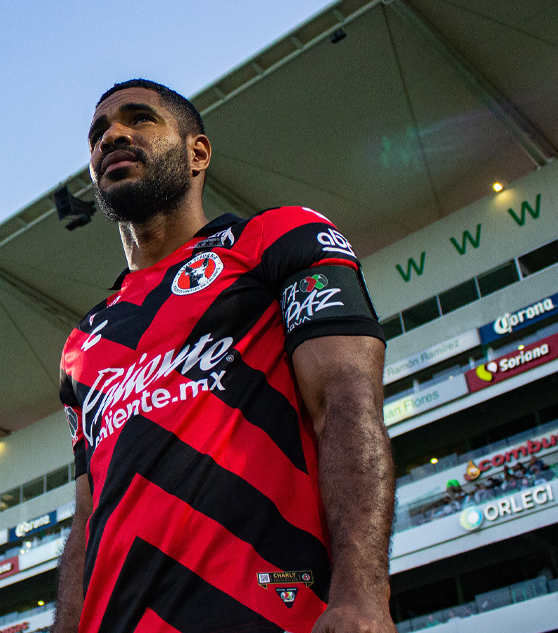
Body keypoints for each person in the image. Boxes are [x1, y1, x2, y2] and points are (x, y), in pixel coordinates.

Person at [55, 80, 394, 633]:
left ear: (198, 153)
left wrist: (362, 595)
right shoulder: (83, 343)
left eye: (140, 120)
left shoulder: (278, 239)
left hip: (266, 612)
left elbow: (346, 403)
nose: (112, 135)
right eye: (98, 133)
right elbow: (87, 517)